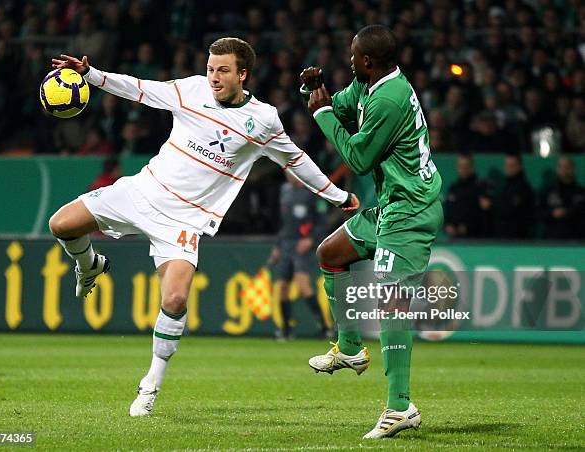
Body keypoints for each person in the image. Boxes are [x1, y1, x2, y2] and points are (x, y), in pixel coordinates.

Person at [48, 38, 359, 418]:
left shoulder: (262, 120)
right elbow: (139, 89)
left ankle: (150, 385)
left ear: (242, 74)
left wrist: (337, 195)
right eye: (211, 68)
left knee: (176, 300)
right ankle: (88, 265)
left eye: (223, 70)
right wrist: (92, 76)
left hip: (183, 220)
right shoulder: (190, 89)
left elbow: (296, 161)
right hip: (143, 191)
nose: (213, 76)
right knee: (61, 224)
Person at [300, 25, 443, 439]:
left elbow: (359, 158)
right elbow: (340, 107)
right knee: (331, 254)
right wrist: (317, 91)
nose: (348, 61)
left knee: (391, 301)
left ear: (367, 61)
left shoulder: (389, 99)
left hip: (410, 210)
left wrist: (321, 114)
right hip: (390, 205)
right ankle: (348, 348)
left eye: (352, 56)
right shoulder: (370, 85)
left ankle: (401, 406)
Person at [269, 171, 331, 340]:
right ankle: (286, 329)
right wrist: (278, 246)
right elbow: (284, 223)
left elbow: (322, 222)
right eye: (286, 172)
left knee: (304, 287)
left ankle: (325, 327)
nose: (289, 175)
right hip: (287, 245)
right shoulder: (285, 191)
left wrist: (310, 239)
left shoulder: (313, 192)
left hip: (302, 245)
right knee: (282, 287)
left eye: (292, 171)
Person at [444, 154, 493, 238]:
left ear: (472, 167)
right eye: (460, 166)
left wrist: (468, 226)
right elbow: (448, 209)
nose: (463, 169)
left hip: (475, 238)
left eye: (466, 166)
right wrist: (448, 225)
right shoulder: (454, 188)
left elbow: (483, 215)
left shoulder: (480, 187)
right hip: (454, 238)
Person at [540, 157, 585, 239]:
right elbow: (538, 212)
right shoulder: (548, 191)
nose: (565, 170)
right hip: (552, 238)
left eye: (567, 167)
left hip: (577, 239)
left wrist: (567, 213)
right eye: (561, 167)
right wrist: (552, 213)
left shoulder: (581, 192)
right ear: (557, 169)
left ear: (573, 169)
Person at [493, 153, 534, 238]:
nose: (508, 169)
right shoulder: (504, 185)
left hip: (517, 237)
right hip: (502, 234)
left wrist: (493, 205)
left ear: (519, 166)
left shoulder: (523, 187)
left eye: (512, 166)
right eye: (507, 165)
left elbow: (511, 210)